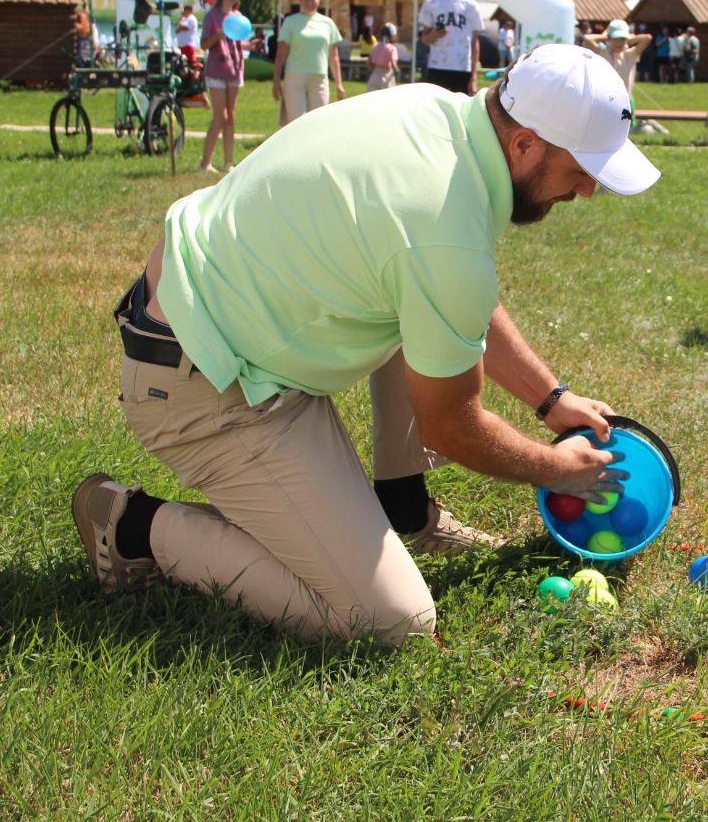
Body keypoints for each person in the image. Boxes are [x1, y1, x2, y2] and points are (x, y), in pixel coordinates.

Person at [71, 44, 659, 647]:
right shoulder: (441, 231)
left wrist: (550, 398)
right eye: (582, 168)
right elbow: (452, 425)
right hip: (207, 389)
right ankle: (134, 526)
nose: (587, 190)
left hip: (194, 317)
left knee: (422, 302)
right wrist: (558, 467)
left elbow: (451, 295)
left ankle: (402, 506)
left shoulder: (437, 112)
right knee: (389, 620)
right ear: (526, 144)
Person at [273, 0, 346, 129]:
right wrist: (276, 81)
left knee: (319, 121)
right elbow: (281, 53)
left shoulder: (328, 23)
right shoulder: (290, 22)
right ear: (300, 0)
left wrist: (339, 83)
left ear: (319, 0)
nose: (310, 2)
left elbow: (334, 56)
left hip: (319, 77)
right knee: (296, 123)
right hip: (295, 76)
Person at [199, 0, 248, 175]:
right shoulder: (212, 16)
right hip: (217, 70)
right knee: (220, 116)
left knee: (231, 117)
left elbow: (236, 42)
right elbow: (203, 45)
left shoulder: (238, 17)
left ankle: (229, 163)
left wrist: (250, 45)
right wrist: (216, 37)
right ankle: (205, 164)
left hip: (234, 69)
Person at [417, 0, 482, 94]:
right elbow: (424, 39)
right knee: (433, 109)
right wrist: (433, 35)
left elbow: (475, 42)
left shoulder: (471, 6)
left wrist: (474, 76)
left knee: (460, 111)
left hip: (462, 67)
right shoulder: (432, 3)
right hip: (438, 65)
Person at [582, 19, 652, 98]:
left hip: (626, 98)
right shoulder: (604, 53)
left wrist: (630, 39)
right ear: (609, 38)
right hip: (607, 97)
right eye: (615, 39)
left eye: (622, 38)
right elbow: (587, 38)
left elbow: (648, 38)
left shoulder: (630, 54)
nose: (619, 42)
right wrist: (604, 36)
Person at [366, 22, 399, 91]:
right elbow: (393, 64)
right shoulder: (392, 48)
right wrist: (397, 72)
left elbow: (369, 62)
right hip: (387, 75)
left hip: (375, 74)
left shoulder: (375, 46)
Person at [175, 1, 200, 69]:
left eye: (185, 10)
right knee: (182, 63)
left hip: (188, 45)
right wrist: (180, 25)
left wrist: (180, 24)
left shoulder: (192, 19)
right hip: (181, 45)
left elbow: (186, 28)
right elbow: (177, 30)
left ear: (189, 10)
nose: (183, 12)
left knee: (191, 62)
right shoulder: (184, 19)